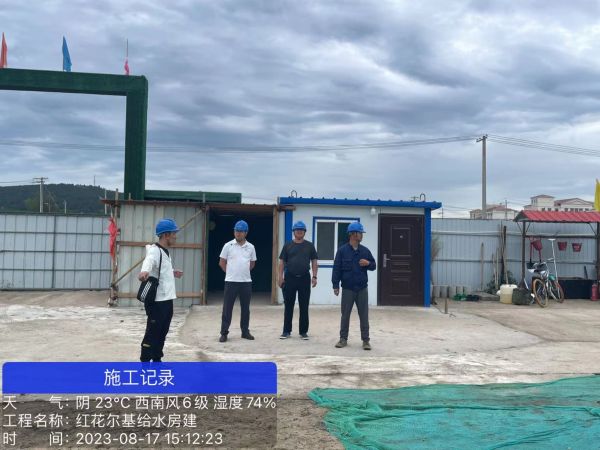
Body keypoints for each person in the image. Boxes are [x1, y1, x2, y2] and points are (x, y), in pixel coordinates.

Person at [138, 218, 183, 362]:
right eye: (174, 234)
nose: (175, 237)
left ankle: (157, 360)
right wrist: (144, 271)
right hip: (157, 302)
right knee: (152, 333)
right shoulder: (155, 250)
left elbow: (161, 270)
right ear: (166, 235)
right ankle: (145, 363)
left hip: (167, 299)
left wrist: (172, 272)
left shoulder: (165, 252)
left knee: (162, 332)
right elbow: (149, 261)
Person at [332, 221, 376, 350]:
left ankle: (366, 341)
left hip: (362, 289)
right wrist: (335, 285)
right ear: (353, 234)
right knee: (345, 315)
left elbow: (374, 265)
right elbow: (336, 269)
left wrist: (368, 263)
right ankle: (343, 339)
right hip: (348, 289)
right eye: (360, 233)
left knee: (364, 315)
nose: (362, 235)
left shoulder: (365, 251)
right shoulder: (342, 251)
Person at [278, 220, 318, 340]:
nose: (299, 231)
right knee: (288, 305)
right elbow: (282, 262)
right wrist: (280, 277)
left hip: (304, 278)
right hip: (290, 278)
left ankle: (303, 332)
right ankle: (286, 331)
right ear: (294, 232)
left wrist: (314, 276)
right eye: (297, 230)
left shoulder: (310, 246)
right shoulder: (287, 245)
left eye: (301, 230)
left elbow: (314, 261)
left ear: (304, 232)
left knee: (304, 306)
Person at [218, 220, 257, 342]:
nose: (238, 233)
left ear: (246, 233)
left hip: (246, 282)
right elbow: (222, 262)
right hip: (231, 282)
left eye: (241, 231)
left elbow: (252, 264)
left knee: (245, 309)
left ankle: (245, 332)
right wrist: (231, 272)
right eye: (236, 231)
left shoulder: (251, 247)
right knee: (227, 308)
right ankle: (224, 333)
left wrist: (242, 272)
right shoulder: (228, 245)